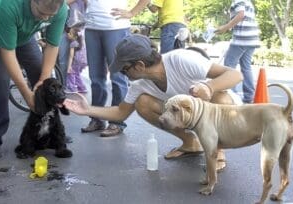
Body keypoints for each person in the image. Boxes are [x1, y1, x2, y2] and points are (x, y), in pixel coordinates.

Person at [63, 34, 243, 171]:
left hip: (225, 115)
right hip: (187, 116)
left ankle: (217, 150)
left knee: (219, 97)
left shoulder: (181, 59)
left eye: (124, 70)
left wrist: (209, 87)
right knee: (142, 103)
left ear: (139, 66)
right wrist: (87, 110)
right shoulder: (139, 85)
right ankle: (190, 143)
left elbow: (235, 75)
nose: (123, 74)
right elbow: (120, 113)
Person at [0, 0, 67, 158]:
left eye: (50, 16)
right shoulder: (8, 5)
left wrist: (44, 79)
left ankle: (51, 132)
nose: (46, 19)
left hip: (24, 37)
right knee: (1, 79)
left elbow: (52, 46)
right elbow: (8, 51)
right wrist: (26, 94)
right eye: (41, 14)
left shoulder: (61, 9)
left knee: (42, 72)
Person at [80, 0, 149, 137]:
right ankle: (96, 118)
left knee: (118, 76)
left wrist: (132, 12)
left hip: (115, 27)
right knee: (95, 77)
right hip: (91, 27)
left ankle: (117, 122)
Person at [216, 0, 260, 104]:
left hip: (242, 38)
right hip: (252, 38)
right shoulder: (248, 1)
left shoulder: (238, 1)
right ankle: (249, 96)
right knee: (246, 67)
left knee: (229, 65)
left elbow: (241, 14)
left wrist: (226, 27)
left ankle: (232, 95)